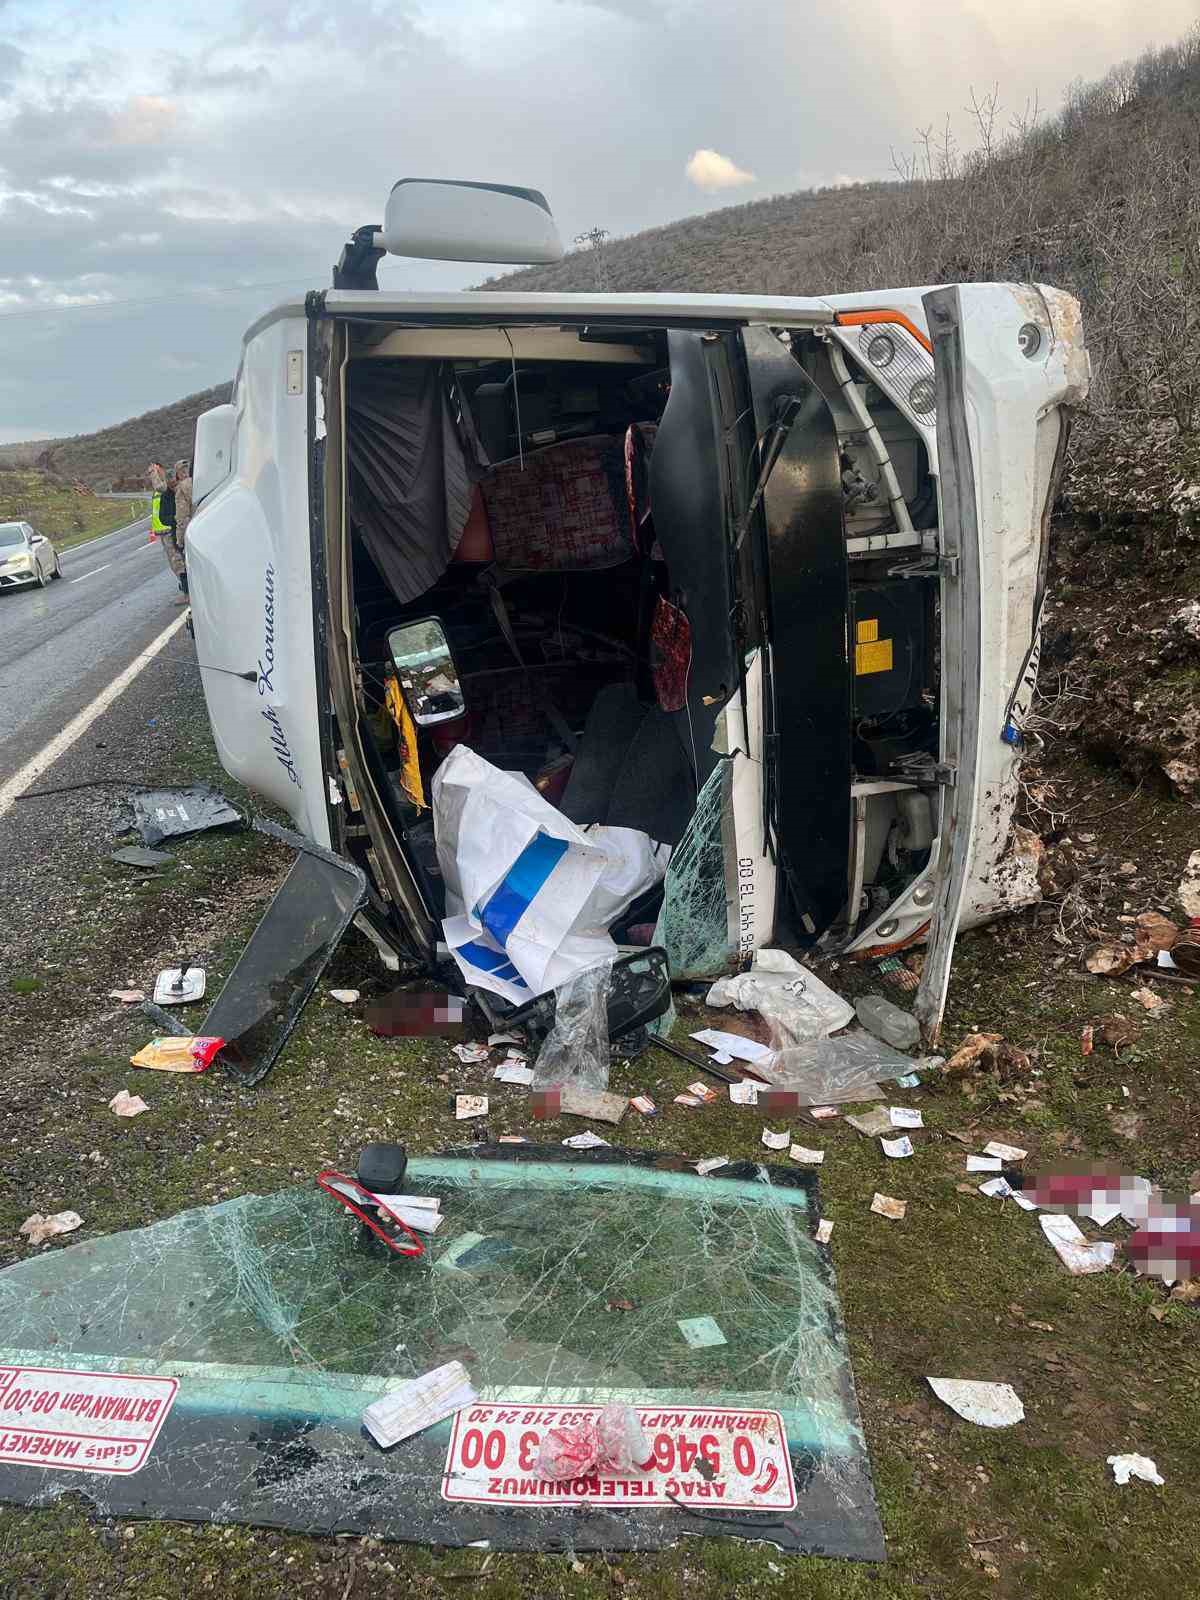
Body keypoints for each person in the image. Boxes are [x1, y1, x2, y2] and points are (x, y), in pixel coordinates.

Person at [171, 459, 193, 602]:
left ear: (178, 474)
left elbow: (182, 517)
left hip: (194, 530)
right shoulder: (198, 481)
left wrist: (179, 540)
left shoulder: (181, 489)